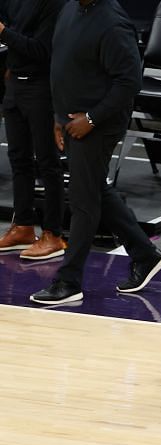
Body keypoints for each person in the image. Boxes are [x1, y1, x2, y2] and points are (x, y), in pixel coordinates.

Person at [30, 0, 161, 305]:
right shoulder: (69, 9)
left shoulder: (113, 22)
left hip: (99, 124)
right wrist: (59, 116)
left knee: (83, 201)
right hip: (72, 119)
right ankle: (145, 254)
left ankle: (69, 282)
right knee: (94, 190)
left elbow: (129, 81)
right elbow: (61, 66)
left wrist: (91, 119)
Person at [0, 0, 66, 260]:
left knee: (48, 163)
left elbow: (41, 50)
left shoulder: (55, 5)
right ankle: (24, 226)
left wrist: (3, 32)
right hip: (15, 84)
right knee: (19, 159)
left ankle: (53, 234)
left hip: (41, 89)